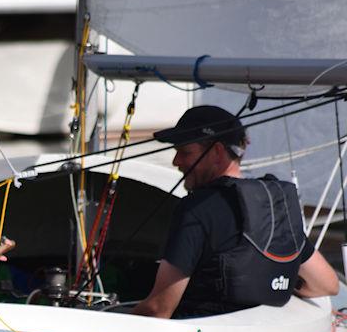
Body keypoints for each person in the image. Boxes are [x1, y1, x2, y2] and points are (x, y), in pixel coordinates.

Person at [132, 105, 339, 319]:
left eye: (185, 152)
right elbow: (327, 284)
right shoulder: (272, 204)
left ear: (217, 152)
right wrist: (267, 285)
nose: (176, 162)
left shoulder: (196, 209)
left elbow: (159, 308)